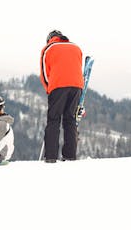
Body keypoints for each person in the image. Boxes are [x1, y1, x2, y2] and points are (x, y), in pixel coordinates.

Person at [40, 29, 84, 163]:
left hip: (58, 86)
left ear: (50, 39)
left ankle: (51, 156)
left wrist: (49, 89)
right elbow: (77, 67)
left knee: (53, 120)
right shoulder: (76, 47)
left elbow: (45, 74)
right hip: (77, 86)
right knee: (70, 120)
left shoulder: (48, 49)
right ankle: (70, 155)